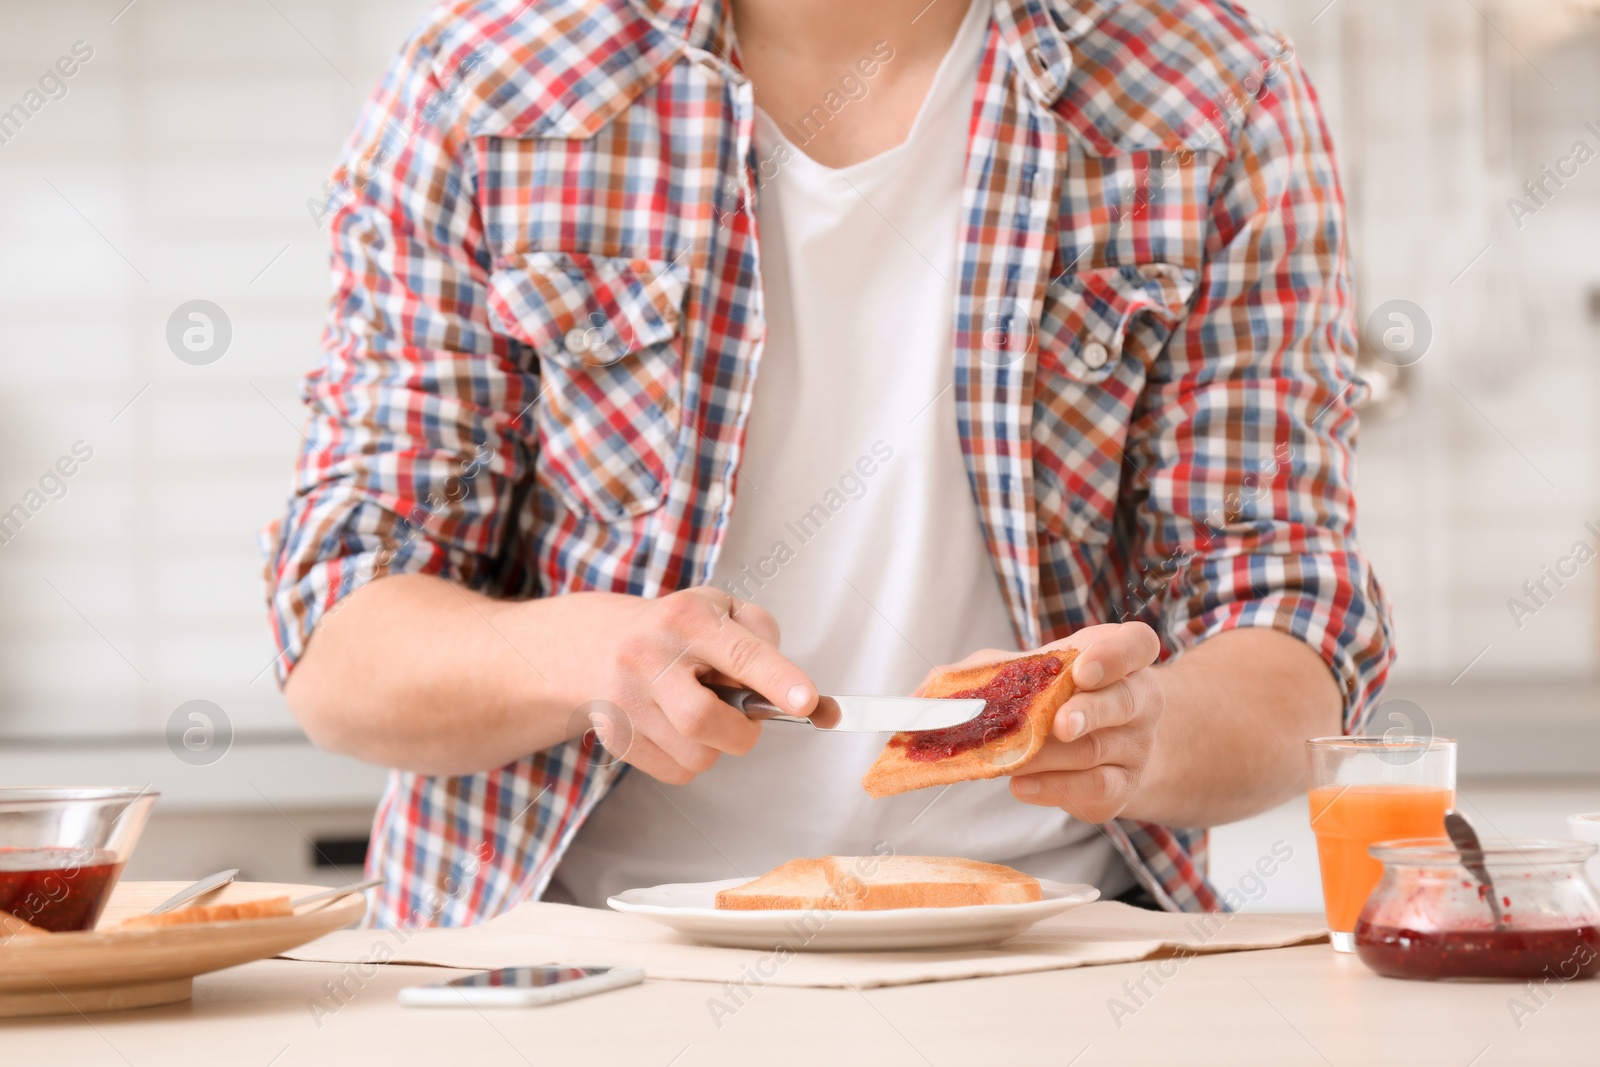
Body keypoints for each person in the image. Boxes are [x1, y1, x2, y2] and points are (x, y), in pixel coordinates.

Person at [264, 0, 1393, 927]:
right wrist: (595, 653)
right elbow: (340, 642)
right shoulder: (486, 85)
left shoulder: (1212, 90)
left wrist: (1144, 724)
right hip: (567, 957)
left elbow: (1293, 636)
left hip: (1059, 951)